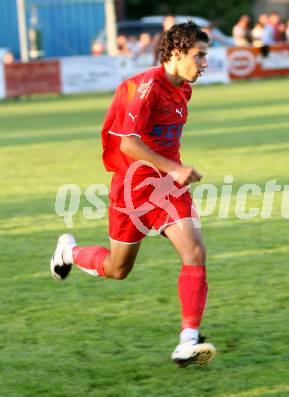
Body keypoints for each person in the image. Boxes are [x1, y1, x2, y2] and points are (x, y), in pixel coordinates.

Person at [50, 22, 216, 368]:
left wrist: (172, 172)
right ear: (176, 53)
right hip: (132, 189)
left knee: (194, 250)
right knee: (117, 268)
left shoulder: (183, 89)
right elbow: (128, 142)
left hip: (168, 188)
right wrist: (174, 167)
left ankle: (188, 340)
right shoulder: (144, 88)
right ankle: (70, 251)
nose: (204, 63)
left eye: (205, 56)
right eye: (199, 55)